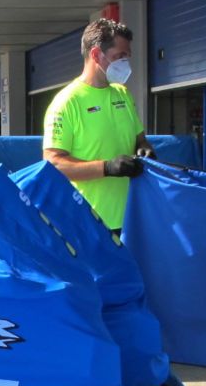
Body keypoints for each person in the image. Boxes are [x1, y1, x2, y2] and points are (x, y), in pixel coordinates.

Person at [43, 18, 155, 232]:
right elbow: (54, 164)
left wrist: (144, 149)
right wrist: (107, 168)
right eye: (119, 57)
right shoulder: (67, 102)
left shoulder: (122, 94)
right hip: (89, 224)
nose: (125, 63)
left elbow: (139, 139)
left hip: (132, 220)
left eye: (127, 56)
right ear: (96, 54)